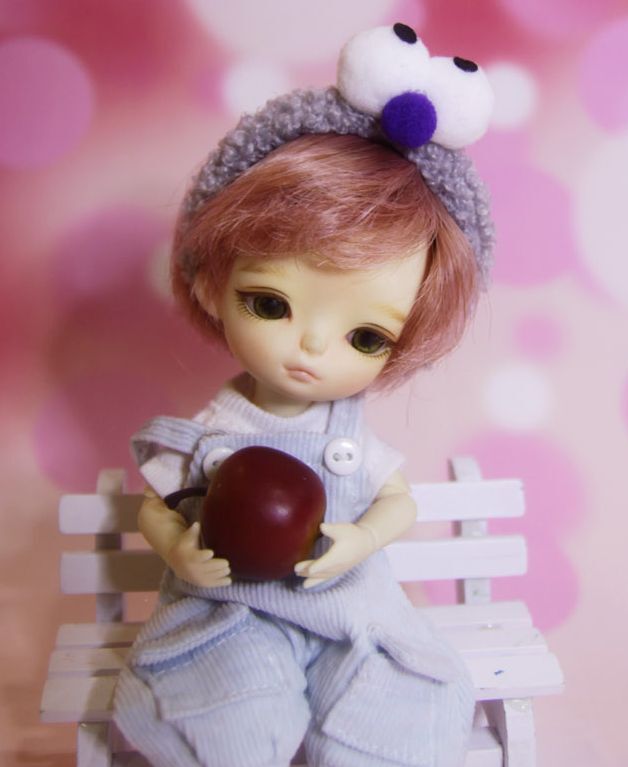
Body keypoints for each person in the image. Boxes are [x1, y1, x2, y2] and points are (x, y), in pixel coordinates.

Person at [114, 23, 495, 767]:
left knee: (393, 703)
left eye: (366, 337)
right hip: (228, 611)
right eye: (270, 304)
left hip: (349, 607)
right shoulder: (214, 428)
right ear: (210, 284)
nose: (312, 349)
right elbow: (155, 506)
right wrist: (181, 551)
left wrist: (362, 539)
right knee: (233, 716)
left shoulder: (347, 433)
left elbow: (397, 501)